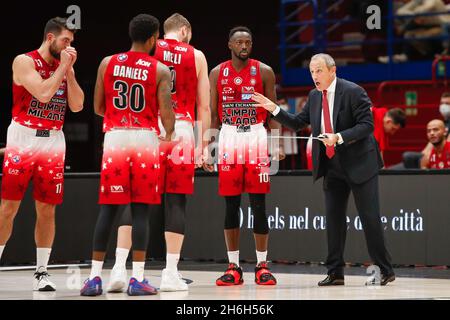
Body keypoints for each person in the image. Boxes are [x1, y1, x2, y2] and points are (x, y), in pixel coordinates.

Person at [252, 53, 396, 286]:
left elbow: (366, 126)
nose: (314, 76)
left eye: (319, 70)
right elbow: (298, 122)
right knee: (334, 221)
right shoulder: (314, 95)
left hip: (360, 163)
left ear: (332, 70)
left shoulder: (353, 91)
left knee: (369, 218)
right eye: (311, 71)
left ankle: (385, 270)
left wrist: (338, 137)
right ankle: (335, 273)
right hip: (332, 165)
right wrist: (273, 109)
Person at [107, 13, 211, 293]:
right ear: (186, 30)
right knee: (175, 203)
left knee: (134, 200)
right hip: (182, 131)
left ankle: (119, 267)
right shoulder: (197, 55)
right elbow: (204, 107)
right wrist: (204, 147)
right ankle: (170, 273)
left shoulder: (150, 47)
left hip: (148, 130)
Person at [80, 14, 175, 297]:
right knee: (141, 210)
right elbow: (166, 113)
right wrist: (168, 134)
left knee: (108, 209)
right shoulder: (159, 69)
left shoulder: (107, 63)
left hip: (116, 137)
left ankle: (95, 278)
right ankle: (137, 279)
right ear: (154, 38)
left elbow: (97, 107)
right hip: (145, 138)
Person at [0, 17, 84, 291]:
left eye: (71, 42)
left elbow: (78, 105)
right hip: (23, 137)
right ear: (50, 38)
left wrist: (69, 73)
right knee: (8, 208)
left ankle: (42, 271)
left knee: (47, 209)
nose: (69, 46)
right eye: (65, 41)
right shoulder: (24, 61)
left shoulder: (63, 67)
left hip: (53, 141)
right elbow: (44, 94)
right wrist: (62, 68)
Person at [209, 26, 284, 287]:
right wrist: (208, 147)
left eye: (248, 42)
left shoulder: (263, 71)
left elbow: (274, 111)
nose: (244, 46)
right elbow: (213, 115)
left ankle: (262, 265)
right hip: (229, 137)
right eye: (239, 42)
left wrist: (276, 144)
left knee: (258, 204)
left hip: (256, 136)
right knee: (231, 205)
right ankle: (234, 266)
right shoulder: (217, 72)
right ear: (229, 44)